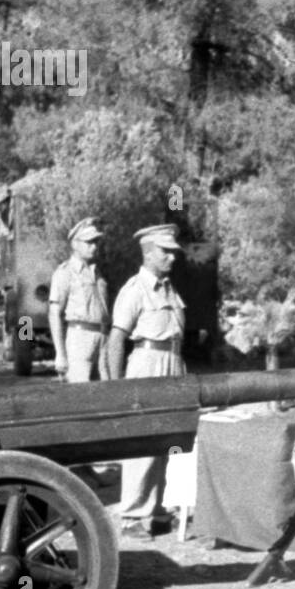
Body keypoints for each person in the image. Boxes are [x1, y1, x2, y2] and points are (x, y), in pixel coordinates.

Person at [107, 224, 185, 537]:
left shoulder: (169, 288)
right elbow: (116, 339)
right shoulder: (135, 289)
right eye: (165, 251)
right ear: (148, 252)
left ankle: (158, 509)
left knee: (170, 440)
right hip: (147, 364)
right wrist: (118, 386)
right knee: (142, 442)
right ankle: (133, 516)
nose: (171, 258)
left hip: (173, 362)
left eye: (174, 252)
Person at [48, 217, 111, 383]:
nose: (94, 246)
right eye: (89, 242)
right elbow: (54, 313)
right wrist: (60, 354)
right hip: (79, 338)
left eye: (96, 242)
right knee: (80, 392)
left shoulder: (97, 273)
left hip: (102, 337)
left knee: (106, 391)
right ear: (75, 244)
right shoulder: (65, 273)